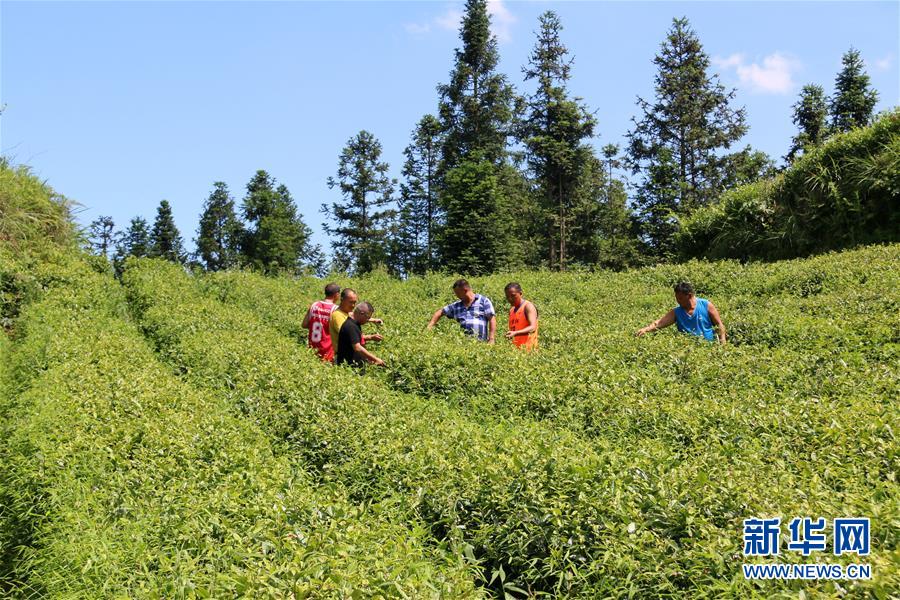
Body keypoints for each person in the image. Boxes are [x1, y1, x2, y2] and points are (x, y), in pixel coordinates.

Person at [636, 281, 726, 344]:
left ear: (689, 296)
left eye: (680, 298)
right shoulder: (677, 312)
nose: (678, 301)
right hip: (687, 350)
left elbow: (719, 325)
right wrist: (646, 329)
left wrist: (723, 344)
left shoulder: (706, 305)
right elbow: (659, 323)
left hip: (708, 347)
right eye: (676, 298)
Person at [427, 279, 496, 343]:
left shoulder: (483, 301)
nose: (457, 296)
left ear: (465, 290)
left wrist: (491, 339)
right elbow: (440, 312)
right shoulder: (457, 305)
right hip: (462, 344)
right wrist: (430, 326)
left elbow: (492, 319)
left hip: (480, 344)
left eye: (458, 293)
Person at [329, 287, 383, 358]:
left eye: (354, 302)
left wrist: (372, 320)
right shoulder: (338, 316)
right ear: (342, 300)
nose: (353, 305)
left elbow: (354, 316)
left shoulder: (346, 313)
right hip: (344, 357)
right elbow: (348, 336)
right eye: (351, 302)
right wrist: (370, 337)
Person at [336, 302, 385, 368]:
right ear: (361, 313)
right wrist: (375, 359)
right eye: (367, 317)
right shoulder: (351, 326)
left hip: (353, 365)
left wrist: (371, 336)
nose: (367, 320)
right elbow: (357, 347)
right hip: (349, 367)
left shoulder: (354, 322)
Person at [301, 282, 340, 361]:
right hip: (328, 354)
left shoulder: (314, 305)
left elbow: (304, 325)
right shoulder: (335, 309)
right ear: (336, 295)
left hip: (312, 352)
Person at [504, 282, 538, 350]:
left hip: (529, 351)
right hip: (516, 353)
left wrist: (515, 333)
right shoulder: (511, 310)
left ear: (520, 293)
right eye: (508, 297)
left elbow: (533, 327)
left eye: (513, 295)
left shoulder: (528, 306)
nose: (510, 299)